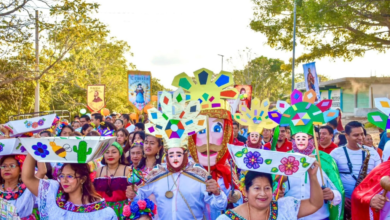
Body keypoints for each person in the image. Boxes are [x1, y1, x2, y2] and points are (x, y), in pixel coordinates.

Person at [22, 154, 117, 219]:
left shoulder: (102, 212)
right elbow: (28, 178)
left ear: (83, 179)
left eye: (70, 176)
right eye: (62, 176)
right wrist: (32, 148)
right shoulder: (53, 193)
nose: (65, 180)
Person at [217, 167, 324, 220]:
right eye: (257, 188)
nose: (263, 193)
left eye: (267, 188)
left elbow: (315, 204)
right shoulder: (227, 218)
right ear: (245, 191)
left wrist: (312, 176)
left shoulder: (285, 207)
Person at [330, 121, 381, 219]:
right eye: (356, 135)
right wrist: (341, 197)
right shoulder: (335, 153)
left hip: (366, 201)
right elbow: (331, 179)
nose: (361, 138)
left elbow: (378, 177)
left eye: (362, 134)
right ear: (346, 136)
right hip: (344, 202)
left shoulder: (372, 153)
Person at [94, 142, 130, 219]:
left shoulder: (127, 170)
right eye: (107, 152)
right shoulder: (97, 171)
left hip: (122, 212)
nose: (110, 155)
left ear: (120, 155)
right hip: (102, 211)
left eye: (114, 152)